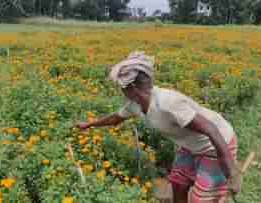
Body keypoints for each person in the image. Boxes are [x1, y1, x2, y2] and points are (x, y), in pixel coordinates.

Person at [76, 51, 242, 203]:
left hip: (215, 143)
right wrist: (88, 125)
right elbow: (115, 119)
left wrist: (232, 173)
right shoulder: (135, 104)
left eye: (121, 87)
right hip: (190, 145)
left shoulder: (168, 103)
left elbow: (211, 130)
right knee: (178, 183)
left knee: (202, 199)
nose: (120, 90)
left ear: (132, 88)